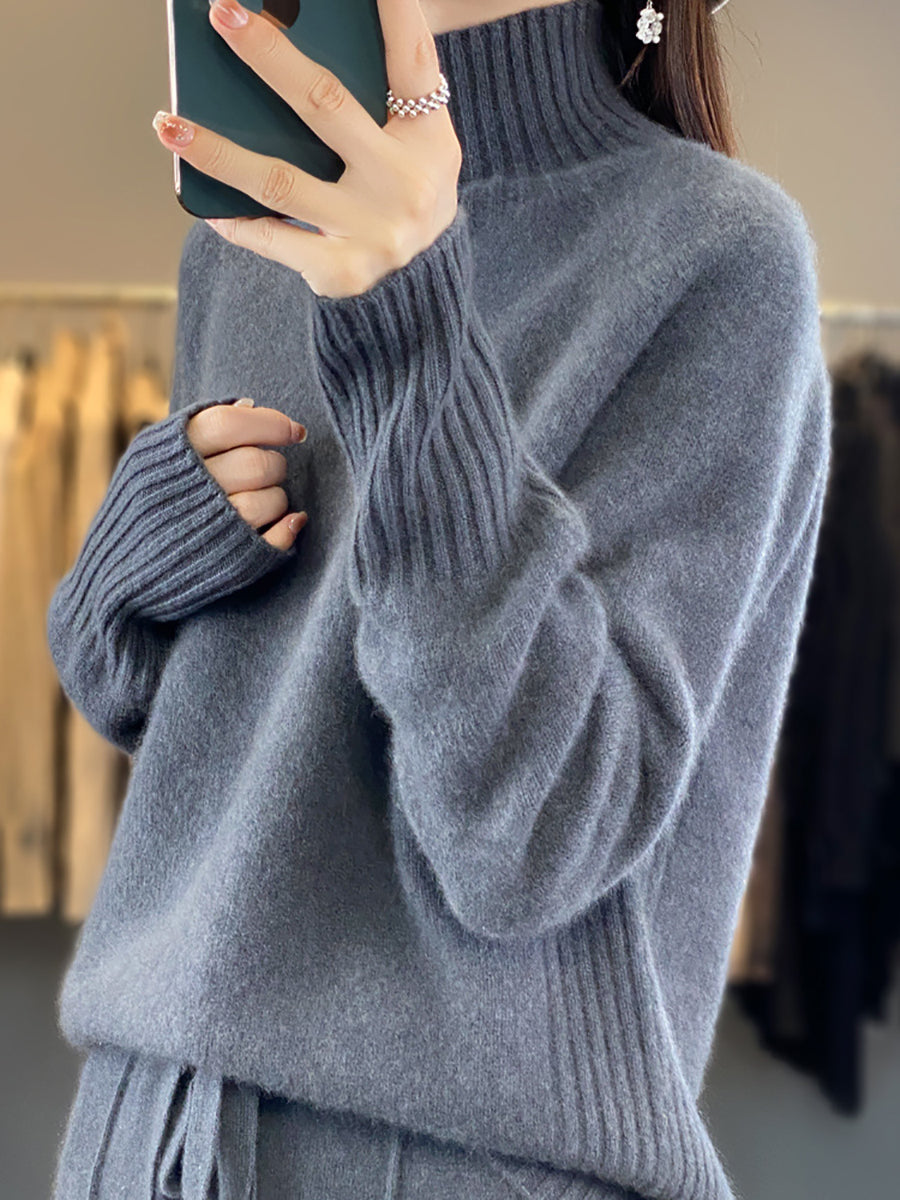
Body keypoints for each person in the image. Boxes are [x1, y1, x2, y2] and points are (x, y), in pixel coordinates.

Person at [48, 1, 832, 1197]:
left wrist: (412, 329)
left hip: (449, 1161)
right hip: (146, 1124)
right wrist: (119, 587)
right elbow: (226, 747)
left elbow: (531, 842)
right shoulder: (250, 240)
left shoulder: (714, 254)